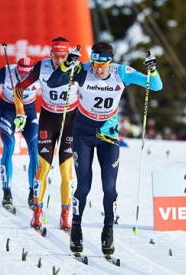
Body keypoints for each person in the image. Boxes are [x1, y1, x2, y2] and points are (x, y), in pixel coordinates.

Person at [47, 41, 163, 256]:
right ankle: (76, 227)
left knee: (109, 187)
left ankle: (108, 229)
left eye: (103, 65)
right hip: (83, 134)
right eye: (95, 65)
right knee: (83, 186)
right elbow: (54, 83)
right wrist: (66, 66)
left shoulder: (121, 73)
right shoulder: (83, 70)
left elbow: (155, 86)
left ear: (110, 61)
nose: (98, 70)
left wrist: (153, 70)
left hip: (108, 136)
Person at [13, 37, 80, 230]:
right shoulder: (41, 67)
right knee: (43, 168)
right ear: (50, 54)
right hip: (48, 120)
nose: (59, 60)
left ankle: (65, 215)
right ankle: (37, 213)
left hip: (70, 121)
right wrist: (20, 111)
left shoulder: (78, 67)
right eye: (56, 56)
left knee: (66, 172)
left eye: (63, 56)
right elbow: (19, 88)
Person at [0, 57, 40, 211]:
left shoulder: (39, 73)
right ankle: (6, 192)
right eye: (20, 75)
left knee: (34, 148)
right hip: (8, 109)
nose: (23, 78)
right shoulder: (7, 71)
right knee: (9, 146)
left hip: (28, 110)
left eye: (26, 76)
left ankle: (32, 193)